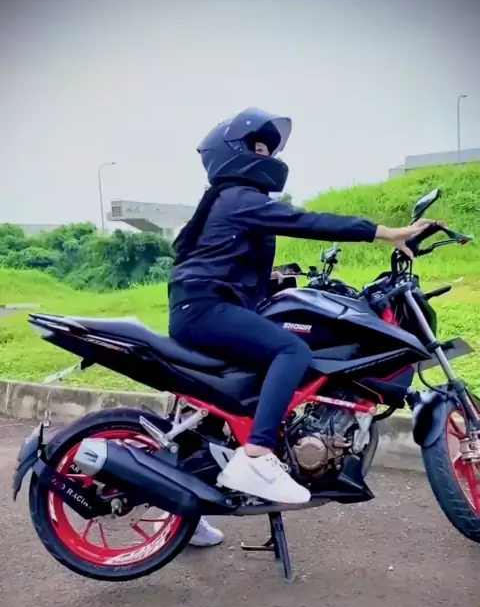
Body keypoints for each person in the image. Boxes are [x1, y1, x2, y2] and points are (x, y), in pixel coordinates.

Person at [170, 108, 434, 546]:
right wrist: (385, 232)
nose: (266, 156)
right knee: (291, 350)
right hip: (205, 309)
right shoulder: (238, 197)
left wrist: (282, 282)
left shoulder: (229, 202)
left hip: (204, 306)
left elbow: (230, 264)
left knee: (232, 398)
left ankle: (186, 508)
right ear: (231, 153)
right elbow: (306, 221)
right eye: (258, 147)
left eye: (268, 150)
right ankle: (258, 455)